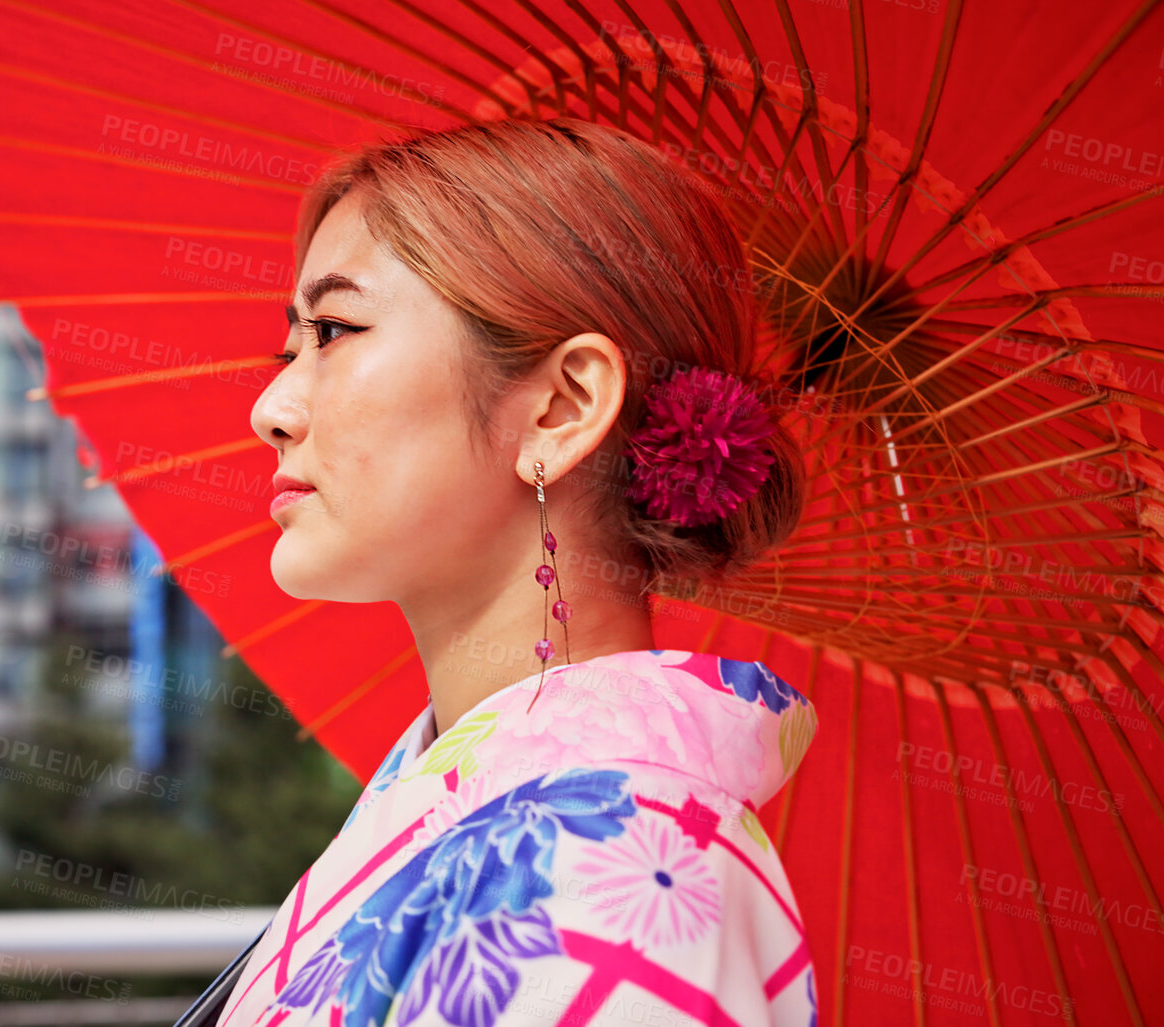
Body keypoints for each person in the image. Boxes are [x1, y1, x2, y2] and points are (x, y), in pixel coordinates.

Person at [220, 118, 821, 1027]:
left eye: (335, 329)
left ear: (561, 406)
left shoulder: (624, 867)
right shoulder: (486, 815)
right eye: (290, 344)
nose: (271, 407)